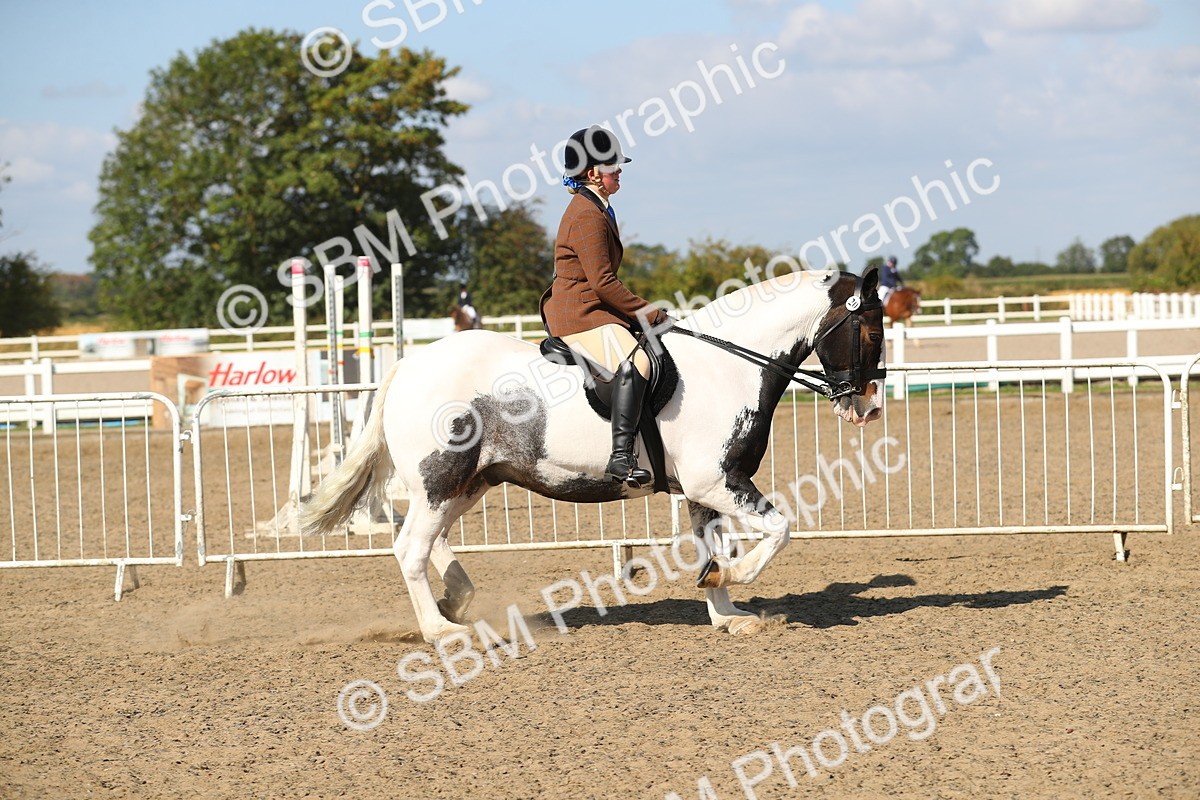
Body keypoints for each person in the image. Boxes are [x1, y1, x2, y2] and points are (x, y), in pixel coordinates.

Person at [539, 124, 669, 488]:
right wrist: (652, 313)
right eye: (613, 166)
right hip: (579, 313)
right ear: (594, 172)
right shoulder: (586, 215)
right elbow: (603, 283)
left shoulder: (597, 207)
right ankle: (622, 458)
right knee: (637, 360)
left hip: (592, 307)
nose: (619, 171)